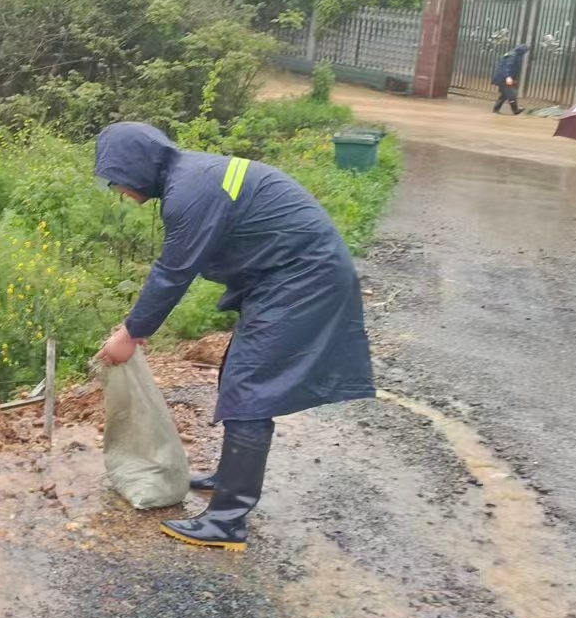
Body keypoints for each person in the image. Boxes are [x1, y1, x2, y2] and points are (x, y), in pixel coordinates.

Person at [93, 123, 375, 551]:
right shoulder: (192, 176)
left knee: (251, 389)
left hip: (302, 279)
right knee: (239, 374)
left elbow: (173, 273)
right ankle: (229, 479)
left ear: (136, 166)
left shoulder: (189, 192)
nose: (118, 191)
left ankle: (228, 520)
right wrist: (137, 326)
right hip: (289, 277)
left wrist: (132, 332)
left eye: (115, 179)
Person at [492, 43, 529, 114]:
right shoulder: (513, 55)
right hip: (504, 77)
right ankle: (515, 110)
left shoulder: (514, 55)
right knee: (511, 94)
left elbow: (513, 68)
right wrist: (508, 77)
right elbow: (507, 67)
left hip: (504, 77)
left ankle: (496, 109)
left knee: (504, 94)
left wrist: (513, 78)